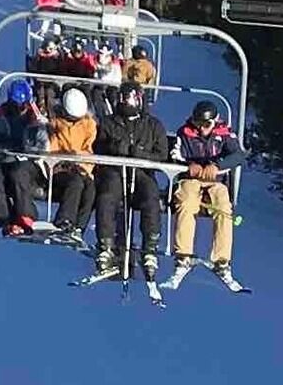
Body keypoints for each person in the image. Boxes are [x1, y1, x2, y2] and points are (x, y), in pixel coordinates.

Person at [88, 79, 170, 283]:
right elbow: (98, 147)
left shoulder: (152, 125)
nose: (127, 102)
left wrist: (141, 154)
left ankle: (150, 246)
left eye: (132, 98)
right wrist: (114, 148)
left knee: (151, 196)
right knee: (107, 197)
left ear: (140, 100)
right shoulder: (109, 122)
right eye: (124, 98)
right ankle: (106, 245)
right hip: (115, 172)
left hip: (142, 173)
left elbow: (162, 154)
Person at [166, 93, 244, 291]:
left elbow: (238, 155)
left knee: (223, 206)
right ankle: (183, 256)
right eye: (198, 124)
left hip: (215, 181)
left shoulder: (224, 134)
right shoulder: (185, 133)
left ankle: (221, 260)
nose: (201, 129)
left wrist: (217, 166)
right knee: (186, 202)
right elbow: (175, 154)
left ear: (214, 122)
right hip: (191, 179)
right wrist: (188, 165)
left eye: (206, 125)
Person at [0, 80, 49, 233]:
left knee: (18, 173)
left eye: (22, 106)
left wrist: (29, 148)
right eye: (15, 106)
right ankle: (4, 218)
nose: (19, 110)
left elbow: (43, 143)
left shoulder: (34, 116)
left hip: (28, 161)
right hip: (3, 158)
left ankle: (26, 215)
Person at [40, 84, 100, 237]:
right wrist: (63, 162)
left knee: (90, 189)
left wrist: (82, 164)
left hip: (81, 167)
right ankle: (63, 221)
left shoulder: (89, 125)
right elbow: (52, 148)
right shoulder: (55, 124)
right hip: (61, 168)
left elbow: (89, 149)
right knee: (75, 182)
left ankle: (79, 227)